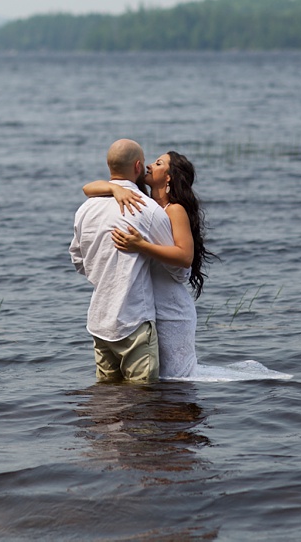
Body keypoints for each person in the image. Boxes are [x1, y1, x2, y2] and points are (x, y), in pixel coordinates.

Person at [83, 151, 214, 379]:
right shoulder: (145, 204)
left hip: (171, 311)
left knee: (174, 382)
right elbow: (88, 188)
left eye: (158, 163)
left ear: (169, 177)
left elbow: (185, 257)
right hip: (146, 308)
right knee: (154, 378)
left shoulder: (175, 209)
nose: (150, 165)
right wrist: (115, 188)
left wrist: (141, 245)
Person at [69, 140, 187, 383]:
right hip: (134, 319)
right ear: (137, 166)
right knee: (142, 399)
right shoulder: (148, 209)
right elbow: (179, 270)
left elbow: (79, 262)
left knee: (107, 400)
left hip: (99, 320)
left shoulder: (84, 210)